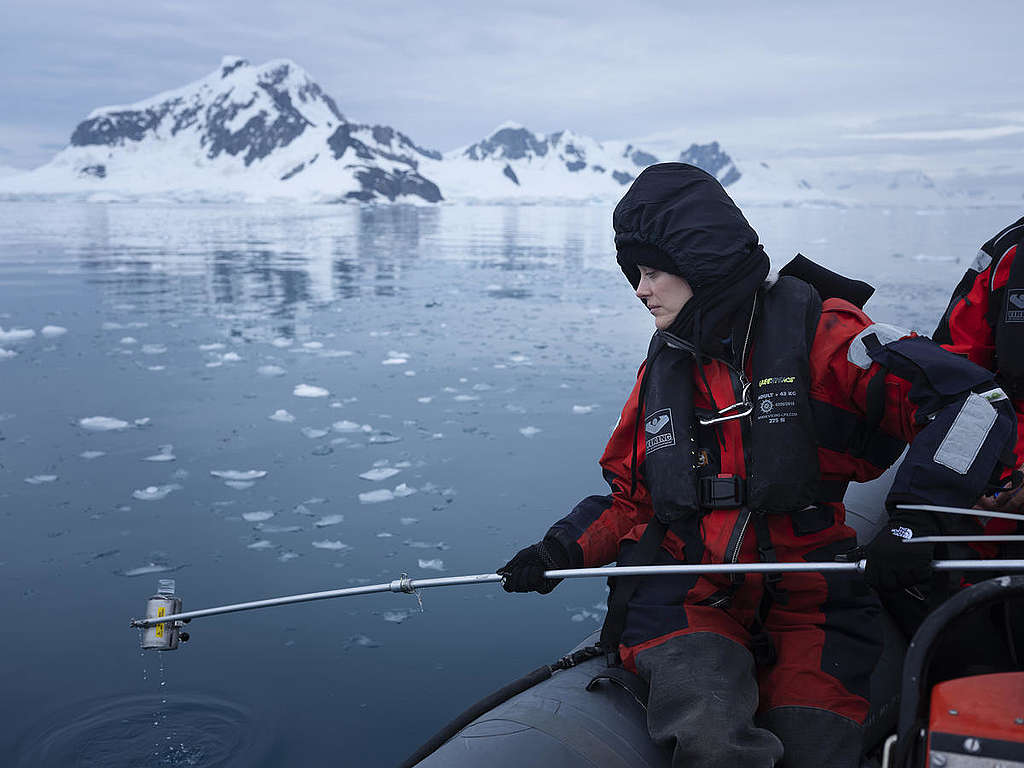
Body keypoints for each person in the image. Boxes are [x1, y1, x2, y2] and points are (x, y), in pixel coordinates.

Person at [497, 163, 1017, 768]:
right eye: (634, 275)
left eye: (652, 271)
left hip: (812, 596)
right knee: (713, 737)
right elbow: (630, 500)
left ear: (701, 263)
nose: (640, 290)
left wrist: (913, 525)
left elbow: (972, 403)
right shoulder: (663, 373)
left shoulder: (825, 338)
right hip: (686, 589)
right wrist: (560, 549)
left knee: (817, 748)